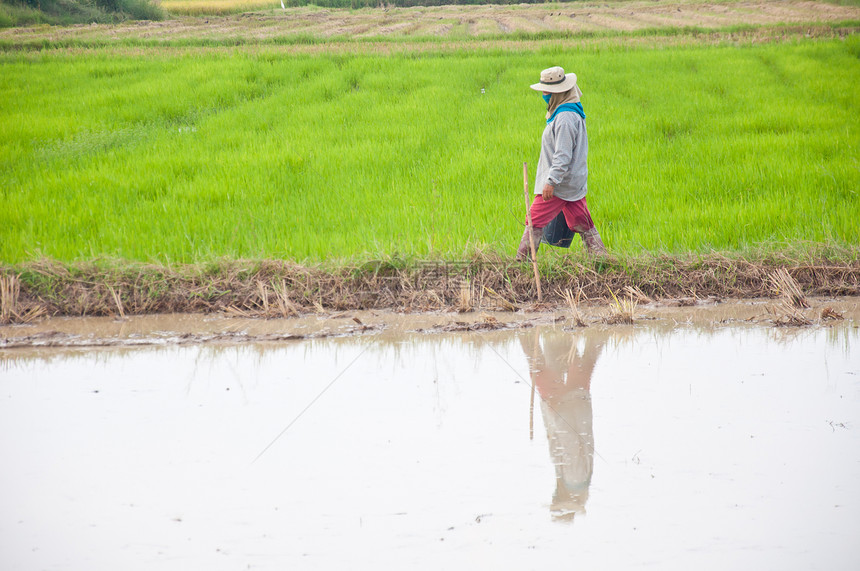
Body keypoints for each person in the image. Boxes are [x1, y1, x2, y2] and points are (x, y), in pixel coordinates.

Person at [516, 66, 606, 260]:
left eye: (546, 91)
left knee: (534, 220)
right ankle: (601, 259)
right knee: (582, 221)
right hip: (573, 182)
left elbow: (563, 155)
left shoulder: (565, 117)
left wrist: (551, 182)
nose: (543, 95)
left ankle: (520, 263)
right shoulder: (569, 111)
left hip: (560, 184)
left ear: (557, 92)